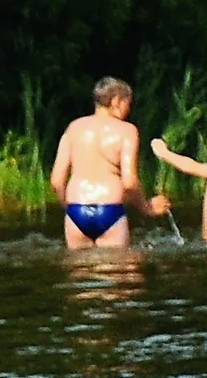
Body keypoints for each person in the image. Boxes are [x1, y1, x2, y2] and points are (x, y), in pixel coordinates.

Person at [48, 77, 168, 249]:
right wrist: (146, 208)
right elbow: (129, 182)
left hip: (76, 209)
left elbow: (56, 180)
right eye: (128, 103)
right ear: (117, 101)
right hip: (109, 209)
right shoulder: (127, 131)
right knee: (120, 272)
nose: (129, 109)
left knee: (80, 272)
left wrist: (69, 209)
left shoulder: (73, 128)